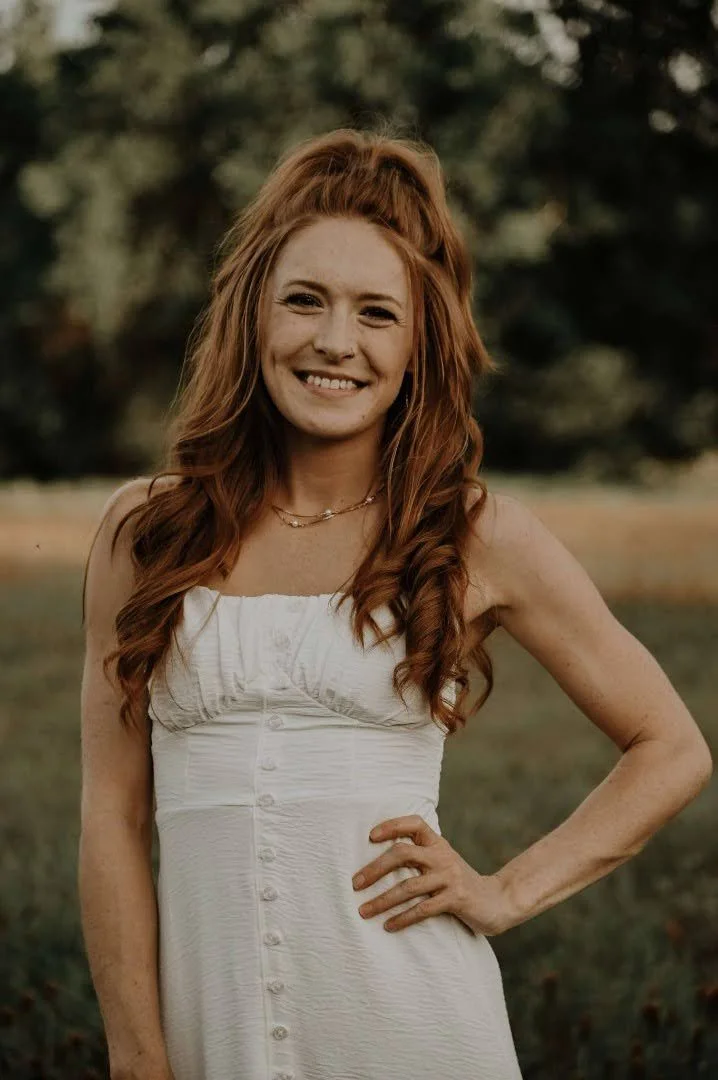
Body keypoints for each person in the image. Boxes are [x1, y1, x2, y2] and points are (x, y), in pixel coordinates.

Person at [79, 128, 712, 1080]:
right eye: (305, 301)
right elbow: (111, 815)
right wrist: (136, 1055)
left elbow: (672, 747)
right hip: (214, 1041)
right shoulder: (148, 533)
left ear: (421, 343)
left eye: (377, 313)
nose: (336, 341)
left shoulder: (470, 533)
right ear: (254, 316)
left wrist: (506, 892)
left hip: (413, 1028)